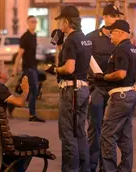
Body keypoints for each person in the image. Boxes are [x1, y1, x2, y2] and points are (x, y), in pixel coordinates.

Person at [45, 5, 92, 172]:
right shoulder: (84, 38)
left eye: (60, 22)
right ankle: (84, 169)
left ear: (66, 22)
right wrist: (59, 46)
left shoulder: (71, 40)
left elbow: (69, 68)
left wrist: (53, 69)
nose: (59, 26)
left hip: (71, 91)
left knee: (67, 134)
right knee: (80, 133)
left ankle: (70, 169)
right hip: (83, 89)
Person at [94, 20, 136, 172]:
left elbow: (120, 73)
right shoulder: (133, 49)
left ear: (120, 32)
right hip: (131, 94)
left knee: (107, 135)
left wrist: (103, 77)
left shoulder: (121, 49)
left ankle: (109, 170)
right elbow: (135, 74)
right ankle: (125, 169)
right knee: (125, 136)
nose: (110, 35)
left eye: (112, 32)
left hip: (119, 96)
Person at [86, 4, 122, 172]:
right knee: (95, 131)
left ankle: (106, 168)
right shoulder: (91, 38)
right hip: (97, 90)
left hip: (114, 92)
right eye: (113, 16)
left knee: (110, 134)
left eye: (117, 16)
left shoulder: (121, 39)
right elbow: (83, 63)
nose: (116, 19)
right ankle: (91, 167)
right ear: (105, 17)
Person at [13, 15, 45, 122]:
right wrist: (15, 67)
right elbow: (19, 54)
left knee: (25, 89)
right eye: (32, 22)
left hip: (34, 67)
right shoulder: (25, 37)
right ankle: (32, 115)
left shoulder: (34, 35)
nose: (34, 24)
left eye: (35, 22)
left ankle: (11, 105)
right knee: (34, 89)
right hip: (28, 68)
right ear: (27, 23)